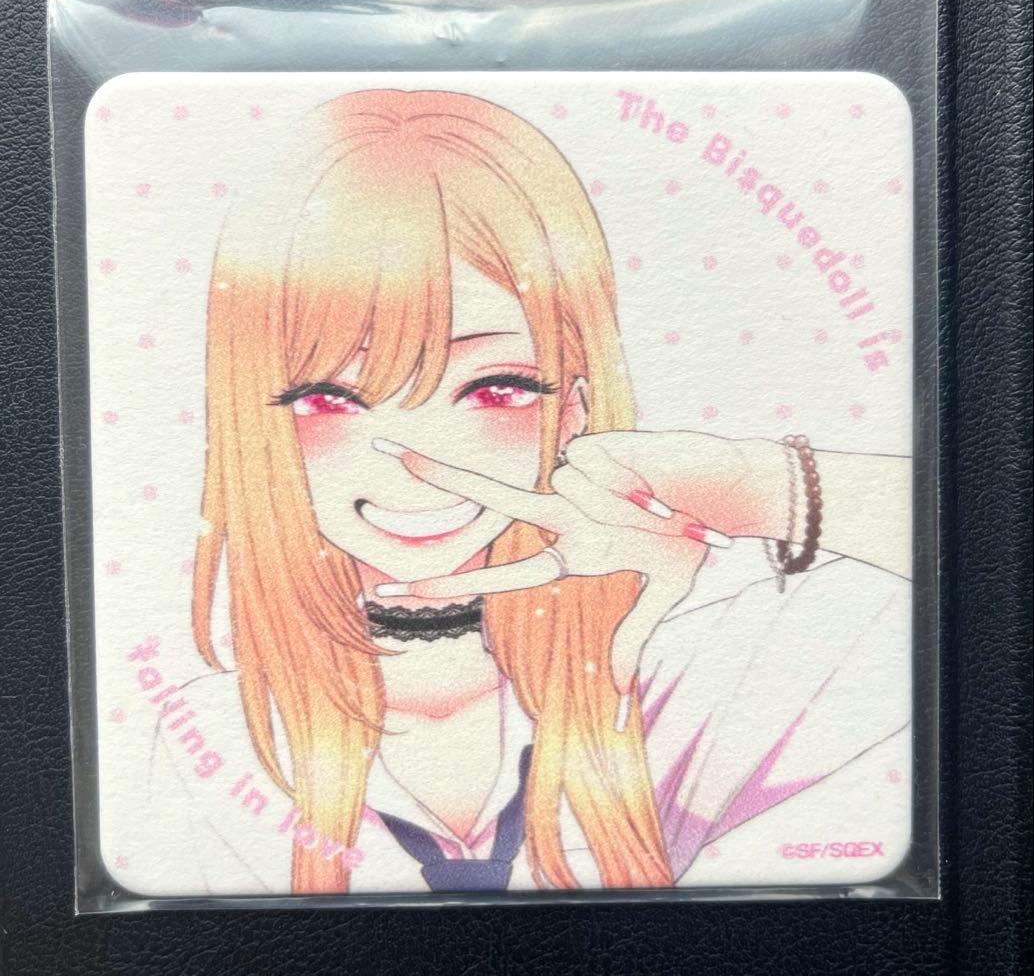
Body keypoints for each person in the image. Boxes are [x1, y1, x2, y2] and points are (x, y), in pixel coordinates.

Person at [148, 88, 911, 896]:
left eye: (496, 389)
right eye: (331, 400)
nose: (414, 459)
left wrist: (758, 486)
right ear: (254, 424)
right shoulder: (219, 743)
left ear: (574, 406)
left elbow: (975, 569)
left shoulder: (682, 670)